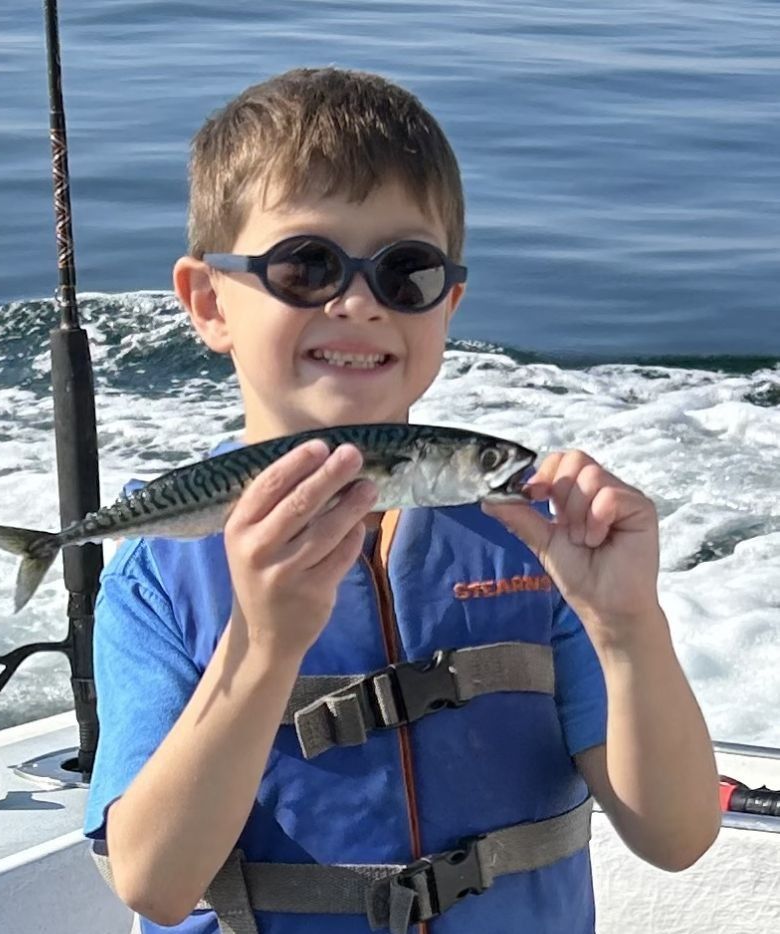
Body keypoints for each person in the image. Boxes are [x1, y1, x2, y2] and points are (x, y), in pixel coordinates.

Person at [83, 67, 720, 934]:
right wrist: (265, 646)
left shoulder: (538, 544)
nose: (358, 303)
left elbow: (677, 836)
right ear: (208, 302)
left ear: (447, 304)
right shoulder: (161, 569)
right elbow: (154, 883)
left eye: (405, 272)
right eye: (305, 266)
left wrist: (627, 627)